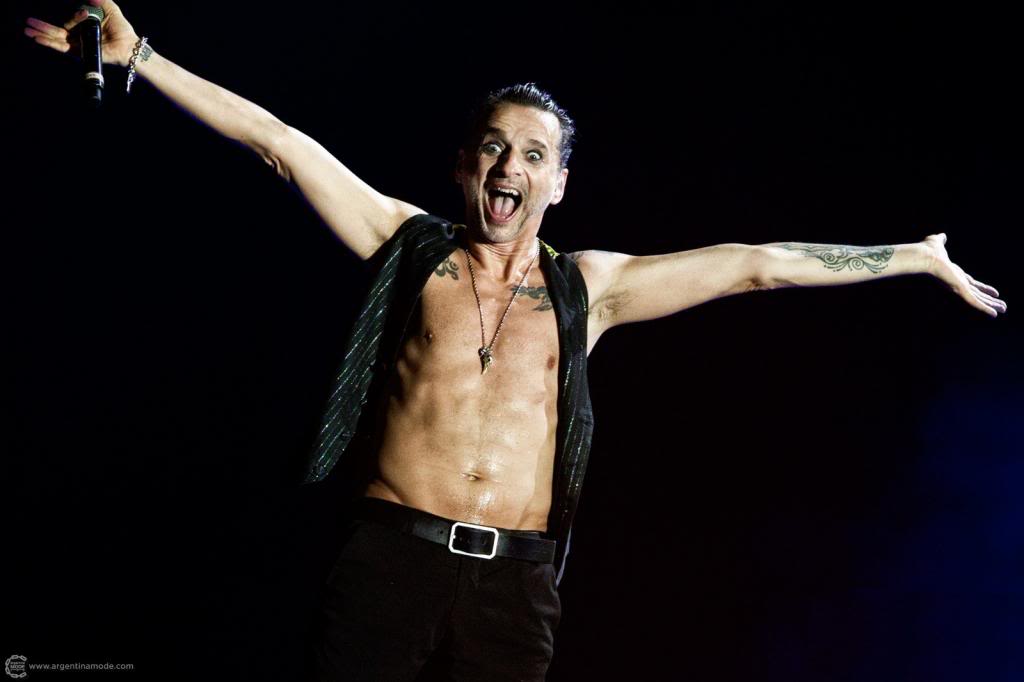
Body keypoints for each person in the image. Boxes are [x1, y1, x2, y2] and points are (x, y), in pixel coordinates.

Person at [25, 2, 1008, 680]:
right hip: (390, 561)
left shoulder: (591, 288)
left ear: (559, 183)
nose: (510, 165)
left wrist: (912, 257)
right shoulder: (407, 245)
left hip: (517, 583)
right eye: (494, 146)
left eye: (533, 155)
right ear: (466, 166)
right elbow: (278, 142)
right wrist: (142, 58)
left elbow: (757, 263)